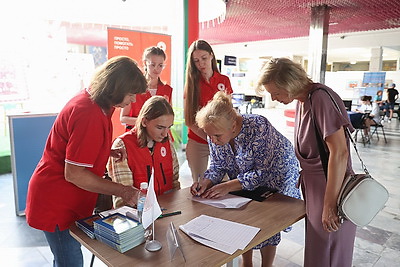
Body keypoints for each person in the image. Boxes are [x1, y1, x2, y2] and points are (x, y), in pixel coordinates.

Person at [25, 56, 147, 267]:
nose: (133, 101)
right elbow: (74, 173)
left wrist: (104, 152)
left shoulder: (96, 102)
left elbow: (74, 145)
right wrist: (124, 191)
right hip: (58, 201)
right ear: (115, 87)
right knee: (69, 261)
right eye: (131, 94)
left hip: (65, 196)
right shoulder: (88, 113)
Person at [257, 57, 356, 267]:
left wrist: (330, 205)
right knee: (319, 251)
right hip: (317, 188)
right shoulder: (305, 100)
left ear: (289, 84)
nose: (274, 98)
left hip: (331, 188)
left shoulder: (320, 98)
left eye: (275, 92)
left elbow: (339, 153)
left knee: (329, 253)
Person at [191, 91, 301, 267]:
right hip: (243, 179)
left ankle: (267, 265)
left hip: (277, 175)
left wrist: (227, 186)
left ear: (233, 126)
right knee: (243, 218)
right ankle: (246, 262)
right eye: (209, 135)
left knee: (267, 223)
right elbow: (218, 165)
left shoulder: (258, 126)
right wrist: (206, 181)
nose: (213, 140)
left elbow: (263, 172)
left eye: (217, 136)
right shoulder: (214, 130)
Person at [108, 96, 180, 208]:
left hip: (167, 210)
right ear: (144, 122)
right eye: (160, 127)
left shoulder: (167, 142)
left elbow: (175, 183)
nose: (165, 134)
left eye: (169, 127)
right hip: (135, 215)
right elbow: (123, 198)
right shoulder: (122, 145)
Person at [184, 39, 233, 182]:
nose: (201, 64)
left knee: (223, 184)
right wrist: (210, 138)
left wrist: (221, 138)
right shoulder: (192, 84)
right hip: (198, 140)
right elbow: (189, 120)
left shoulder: (224, 80)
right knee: (199, 184)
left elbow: (229, 113)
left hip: (221, 141)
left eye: (204, 58)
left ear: (211, 55)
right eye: (196, 61)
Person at [120, 46, 173, 130]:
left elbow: (170, 119)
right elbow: (123, 118)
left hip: (159, 137)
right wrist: (145, 122)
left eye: (160, 65)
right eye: (153, 64)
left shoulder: (167, 90)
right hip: (136, 135)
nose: (156, 69)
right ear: (145, 63)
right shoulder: (133, 88)